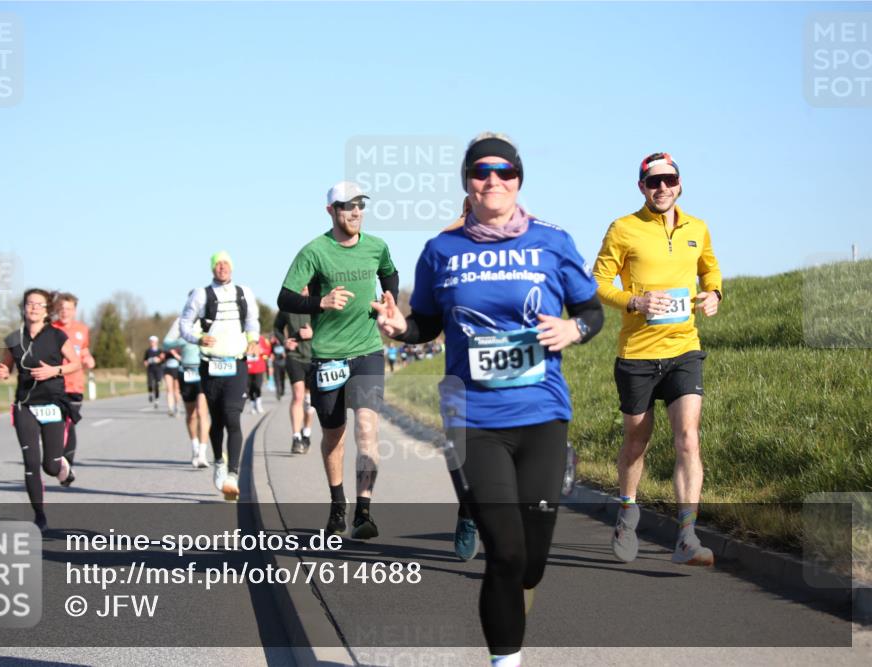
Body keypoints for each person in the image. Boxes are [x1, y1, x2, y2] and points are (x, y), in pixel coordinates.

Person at [372, 132, 603, 667]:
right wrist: (401, 327)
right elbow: (427, 322)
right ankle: (506, 661)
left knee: (532, 562)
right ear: (467, 184)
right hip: (472, 418)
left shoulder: (552, 241)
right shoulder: (441, 251)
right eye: (481, 172)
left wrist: (574, 331)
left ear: (518, 180)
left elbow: (592, 312)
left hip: (543, 412)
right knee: (506, 551)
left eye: (503, 171)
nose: (492, 180)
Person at [592, 151, 722, 567]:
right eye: (653, 182)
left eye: (669, 180)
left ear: (680, 184)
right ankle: (627, 513)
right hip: (637, 354)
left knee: (688, 438)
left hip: (684, 347)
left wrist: (714, 294)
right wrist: (634, 300)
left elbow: (710, 269)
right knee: (637, 441)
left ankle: (686, 535)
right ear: (642, 187)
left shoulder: (696, 228)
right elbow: (597, 281)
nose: (662, 188)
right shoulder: (624, 228)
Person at [277, 181, 399, 539]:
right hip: (328, 357)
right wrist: (321, 303)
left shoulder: (377, 247)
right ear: (331, 211)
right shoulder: (314, 251)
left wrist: (388, 298)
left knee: (366, 428)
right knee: (335, 436)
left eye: (361, 205)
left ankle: (364, 511)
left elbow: (389, 271)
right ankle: (337, 504)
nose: (356, 212)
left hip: (368, 351)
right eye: (347, 206)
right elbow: (285, 297)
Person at [0, 289, 82, 530]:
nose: (33, 308)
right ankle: (39, 515)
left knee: (50, 466)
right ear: (23, 308)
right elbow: (6, 365)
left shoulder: (57, 336)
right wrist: (3, 371)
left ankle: (62, 464)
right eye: (29, 304)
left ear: (47, 310)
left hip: (52, 403)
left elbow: (75, 364)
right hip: (25, 405)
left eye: (39, 305)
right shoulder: (13, 339)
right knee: (31, 462)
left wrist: (54, 371)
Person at [179, 250, 261, 501]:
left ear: (232, 267)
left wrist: (253, 340)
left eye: (226, 264)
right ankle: (219, 462)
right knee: (216, 419)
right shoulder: (201, 295)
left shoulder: (244, 292)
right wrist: (198, 337)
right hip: (210, 365)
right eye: (218, 264)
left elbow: (252, 321)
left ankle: (232, 476)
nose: (222, 268)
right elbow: (184, 324)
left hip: (236, 364)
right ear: (212, 268)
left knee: (233, 417)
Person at [51, 292, 96, 471]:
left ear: (75, 310)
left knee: (69, 423)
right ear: (56, 309)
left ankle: (67, 464)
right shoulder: (50, 329)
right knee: (56, 424)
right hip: (53, 384)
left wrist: (88, 358)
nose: (65, 312)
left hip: (75, 384)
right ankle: (57, 459)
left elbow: (83, 350)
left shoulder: (82, 329)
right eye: (61, 308)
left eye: (68, 308)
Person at [163, 311, 210, 468]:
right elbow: (166, 343)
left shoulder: (207, 319)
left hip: (203, 370)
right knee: (191, 414)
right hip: (186, 371)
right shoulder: (181, 322)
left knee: (202, 412)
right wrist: (182, 341)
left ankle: (203, 453)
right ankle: (195, 447)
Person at [273, 294, 316, 454]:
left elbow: (331, 327)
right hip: (294, 357)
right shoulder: (287, 306)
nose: (304, 287)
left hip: (314, 356)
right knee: (298, 396)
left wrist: (314, 332)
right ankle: (296, 437)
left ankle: (307, 432)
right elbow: (277, 328)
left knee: (309, 399)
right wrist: (284, 341)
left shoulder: (317, 303)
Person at [247, 333, 272, 414]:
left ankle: (258, 404)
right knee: (250, 387)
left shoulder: (262, 339)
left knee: (257, 386)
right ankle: (252, 405)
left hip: (259, 367)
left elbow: (268, 351)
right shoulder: (244, 338)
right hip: (247, 367)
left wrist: (262, 351)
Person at [143, 336, 164, 408]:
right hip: (150, 369)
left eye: (153, 341)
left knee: (157, 385)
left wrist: (160, 360)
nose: (152, 343)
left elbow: (163, 360)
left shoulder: (160, 351)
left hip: (158, 369)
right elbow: (145, 360)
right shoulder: (148, 351)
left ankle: (156, 401)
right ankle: (150, 394)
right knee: (150, 384)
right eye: (151, 341)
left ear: (156, 342)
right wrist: (146, 363)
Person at [162, 345, 182, 417]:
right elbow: (162, 358)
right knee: (169, 389)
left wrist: (174, 354)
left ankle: (177, 408)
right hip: (167, 369)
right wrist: (162, 356)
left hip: (177, 369)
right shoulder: (167, 347)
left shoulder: (180, 347)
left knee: (176, 390)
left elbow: (182, 359)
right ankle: (170, 408)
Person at [270, 334, 287, 401]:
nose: (276, 339)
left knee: (282, 378)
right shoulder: (273, 345)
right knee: (276, 378)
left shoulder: (283, 344)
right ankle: (278, 393)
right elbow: (271, 353)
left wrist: (284, 354)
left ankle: (282, 390)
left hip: (283, 363)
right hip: (275, 363)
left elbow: (287, 354)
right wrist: (271, 357)